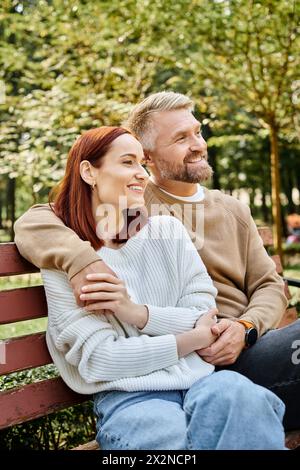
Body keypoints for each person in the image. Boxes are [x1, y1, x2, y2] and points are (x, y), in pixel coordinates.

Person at [14, 92, 300, 431]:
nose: (197, 144)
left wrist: (246, 328)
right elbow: (37, 221)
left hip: (247, 344)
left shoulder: (231, 208)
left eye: (197, 132)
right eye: (181, 138)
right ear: (146, 156)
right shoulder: (132, 203)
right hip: (200, 361)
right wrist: (81, 261)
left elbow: (268, 284)